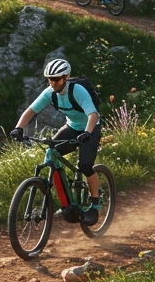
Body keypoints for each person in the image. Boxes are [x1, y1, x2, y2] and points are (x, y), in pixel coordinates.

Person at [8, 59, 104, 224]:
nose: (53, 83)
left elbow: (92, 114)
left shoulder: (78, 91)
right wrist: (19, 128)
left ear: (66, 77)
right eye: (50, 79)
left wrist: (87, 132)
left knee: (85, 166)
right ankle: (67, 203)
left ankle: (95, 204)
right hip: (72, 127)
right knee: (51, 154)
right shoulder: (49, 93)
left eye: (56, 79)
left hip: (90, 127)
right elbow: (31, 111)